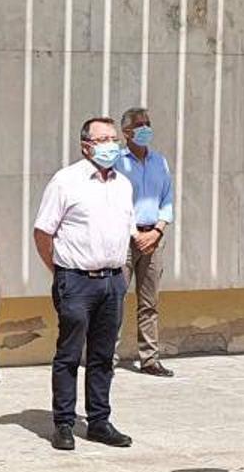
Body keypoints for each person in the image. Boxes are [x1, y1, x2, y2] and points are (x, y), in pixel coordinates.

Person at [34, 117, 136, 452]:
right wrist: (60, 271)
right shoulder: (66, 182)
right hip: (76, 280)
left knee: (104, 355)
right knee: (69, 353)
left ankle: (99, 421)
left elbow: (127, 228)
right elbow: (43, 232)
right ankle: (64, 422)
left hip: (112, 281)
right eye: (102, 139)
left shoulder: (123, 183)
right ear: (86, 145)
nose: (111, 145)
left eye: (113, 138)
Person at [114, 107, 175, 377]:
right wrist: (135, 234)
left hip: (154, 237)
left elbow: (168, 199)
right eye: (139, 124)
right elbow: (114, 202)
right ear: (126, 132)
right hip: (125, 238)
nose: (145, 128)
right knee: (114, 299)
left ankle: (149, 358)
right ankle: (107, 358)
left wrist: (158, 231)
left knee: (149, 302)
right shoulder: (117, 162)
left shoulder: (160, 161)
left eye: (148, 123)